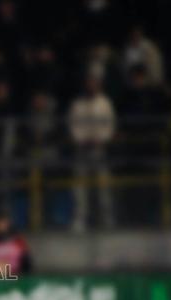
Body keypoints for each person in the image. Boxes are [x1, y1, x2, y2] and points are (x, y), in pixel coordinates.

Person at [68, 75, 116, 231]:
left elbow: (110, 126)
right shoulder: (77, 104)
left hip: (100, 150)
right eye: (89, 82)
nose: (91, 86)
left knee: (103, 186)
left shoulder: (105, 103)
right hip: (82, 150)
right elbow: (73, 126)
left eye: (94, 83)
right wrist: (82, 139)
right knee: (80, 187)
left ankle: (106, 219)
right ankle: (80, 219)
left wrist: (100, 139)